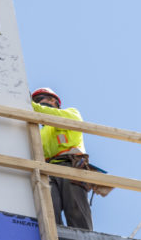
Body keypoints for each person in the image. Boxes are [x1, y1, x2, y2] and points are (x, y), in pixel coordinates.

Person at [31, 87, 95, 230]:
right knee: (50, 208)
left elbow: (50, 114)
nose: (36, 104)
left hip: (71, 166)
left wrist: (31, 105)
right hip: (48, 170)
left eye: (39, 99)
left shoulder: (71, 113)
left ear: (53, 101)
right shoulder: (41, 132)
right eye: (35, 101)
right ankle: (54, 238)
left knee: (76, 208)